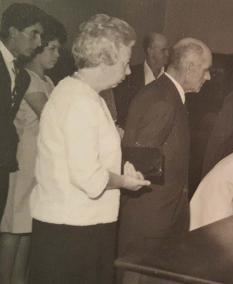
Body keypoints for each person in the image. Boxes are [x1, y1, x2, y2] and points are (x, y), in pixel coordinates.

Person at [28, 14, 149, 284]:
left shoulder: (85, 95)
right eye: (125, 62)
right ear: (104, 60)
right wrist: (124, 182)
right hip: (71, 234)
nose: (129, 71)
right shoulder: (77, 101)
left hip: (80, 227)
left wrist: (119, 170)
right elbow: (89, 178)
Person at [119, 37, 212, 257]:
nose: (208, 76)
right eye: (206, 69)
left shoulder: (168, 94)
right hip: (151, 220)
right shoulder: (164, 100)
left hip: (163, 216)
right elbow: (138, 163)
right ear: (190, 68)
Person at [0, 14, 66, 283]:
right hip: (21, 163)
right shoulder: (26, 78)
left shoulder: (49, 82)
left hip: (38, 165)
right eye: (52, 48)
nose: (56, 55)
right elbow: (53, 117)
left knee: (26, 231)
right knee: (12, 231)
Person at [0, 2, 46, 230]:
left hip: (5, 162)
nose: (38, 43)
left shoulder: (22, 76)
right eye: (33, 34)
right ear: (12, 32)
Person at [114, 32, 169, 127]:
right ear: (150, 51)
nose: (167, 54)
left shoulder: (171, 77)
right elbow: (121, 114)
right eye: (163, 50)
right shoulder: (128, 77)